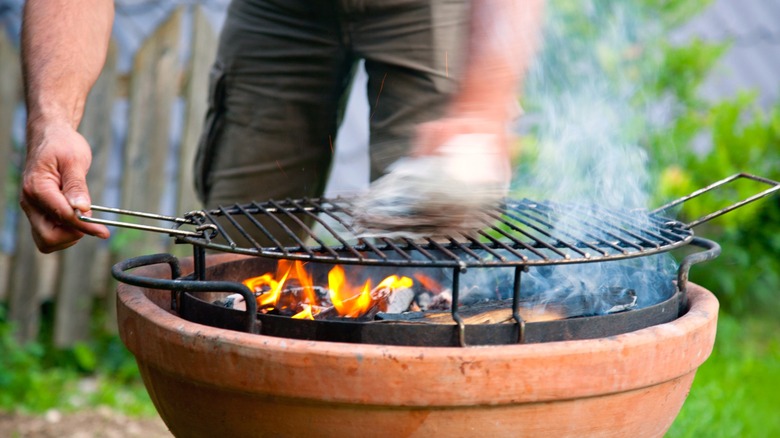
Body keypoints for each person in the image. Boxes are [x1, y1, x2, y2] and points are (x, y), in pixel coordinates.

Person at [20, 0, 543, 253]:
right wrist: (54, 123)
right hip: (280, 10)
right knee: (235, 248)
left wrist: (481, 109)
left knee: (436, 256)